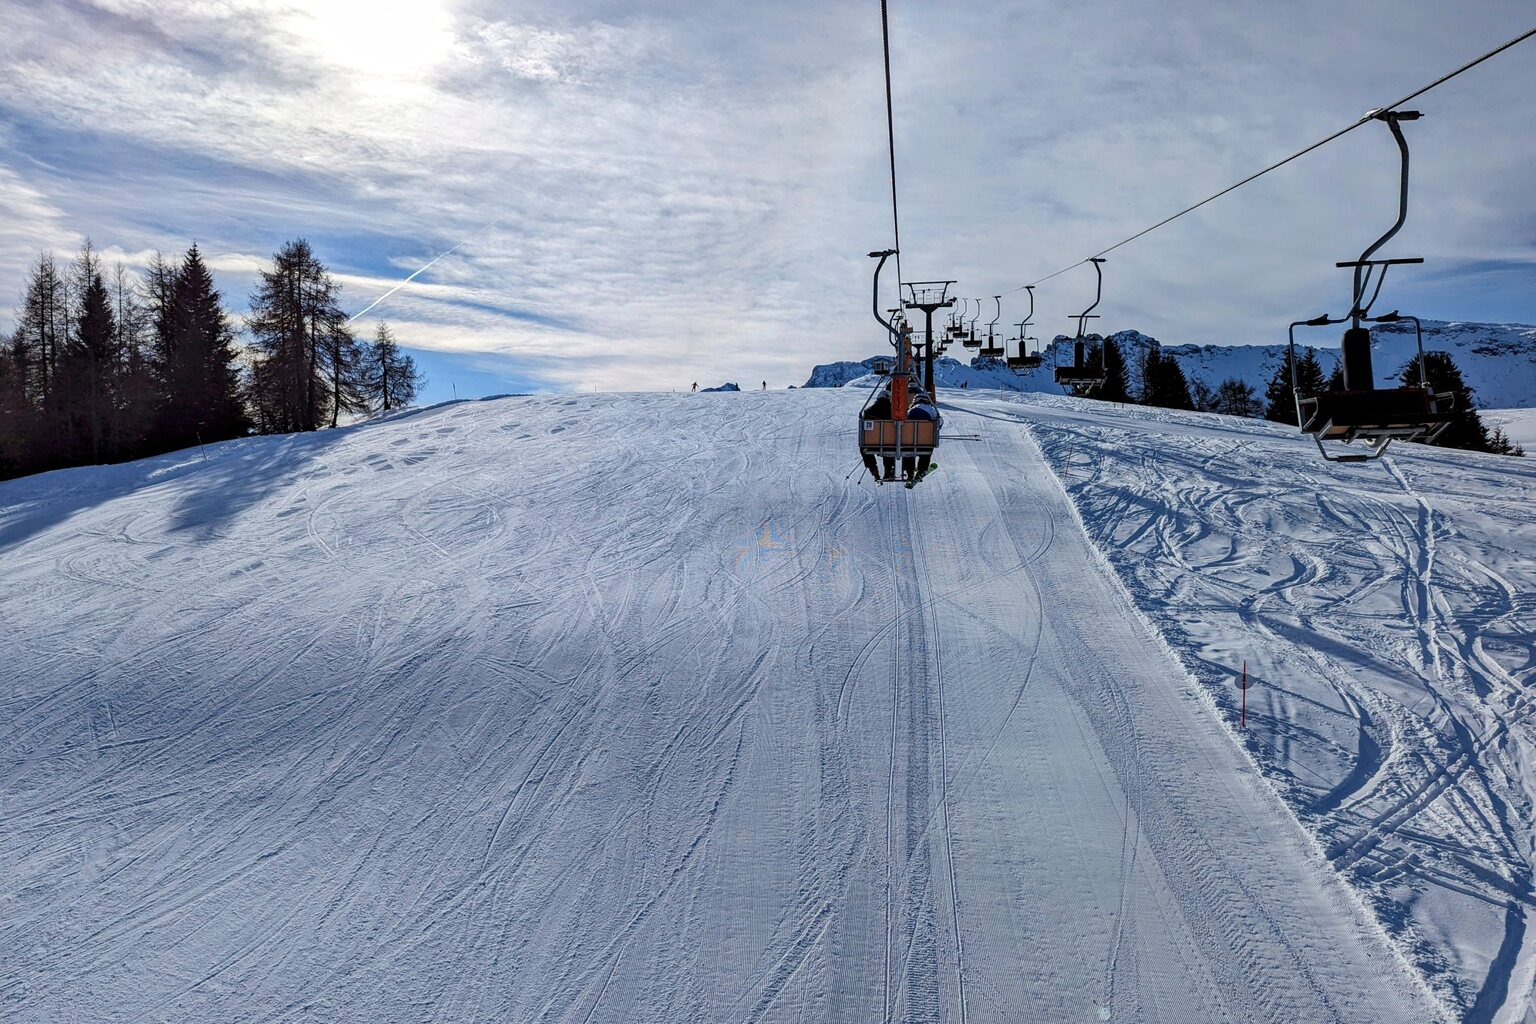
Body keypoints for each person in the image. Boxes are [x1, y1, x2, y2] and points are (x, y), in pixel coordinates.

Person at [860, 387, 898, 482]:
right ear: (888, 398)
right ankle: (888, 471)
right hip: (890, 443)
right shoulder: (894, 411)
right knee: (890, 445)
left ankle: (874, 470)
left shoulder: (868, 411)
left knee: (863, 448)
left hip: (872, 443)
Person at [904, 391, 939, 482]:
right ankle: (921, 470)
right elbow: (939, 423)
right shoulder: (931, 410)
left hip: (910, 440)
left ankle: (910, 472)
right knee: (926, 453)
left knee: (909, 453)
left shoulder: (910, 411)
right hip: (926, 440)